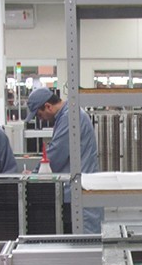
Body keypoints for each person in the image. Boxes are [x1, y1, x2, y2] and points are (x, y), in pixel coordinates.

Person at [24, 87, 103, 234]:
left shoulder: (70, 117)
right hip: (77, 190)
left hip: (79, 192)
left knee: (85, 246)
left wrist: (33, 176)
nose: (41, 120)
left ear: (48, 106)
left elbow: (55, 154)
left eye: (40, 115)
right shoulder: (67, 115)